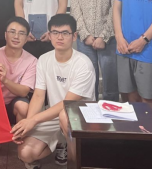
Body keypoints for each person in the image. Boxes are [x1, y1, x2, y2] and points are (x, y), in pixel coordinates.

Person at [12, 14, 96, 169]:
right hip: (53, 115)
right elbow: (38, 95)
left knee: (64, 115)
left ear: (74, 36)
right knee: (25, 153)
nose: (60, 37)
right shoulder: (44, 59)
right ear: (49, 35)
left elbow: (67, 103)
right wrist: (29, 122)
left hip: (78, 116)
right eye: (55, 32)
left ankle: (74, 160)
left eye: (65, 33)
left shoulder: (84, 64)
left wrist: (34, 120)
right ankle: (61, 142)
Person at [71, 0, 119, 102]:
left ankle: (110, 113)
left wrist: (103, 37)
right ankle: (89, 115)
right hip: (85, 40)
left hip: (109, 39)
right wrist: (85, 35)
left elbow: (115, 9)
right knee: (87, 83)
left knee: (110, 83)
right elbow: (75, 9)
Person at [0, 17, 37, 153]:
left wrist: (5, 80)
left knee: (23, 106)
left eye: (21, 33)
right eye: (12, 32)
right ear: (5, 35)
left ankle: (19, 139)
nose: (16, 36)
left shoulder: (32, 61)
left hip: (13, 103)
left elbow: (24, 91)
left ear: (27, 38)